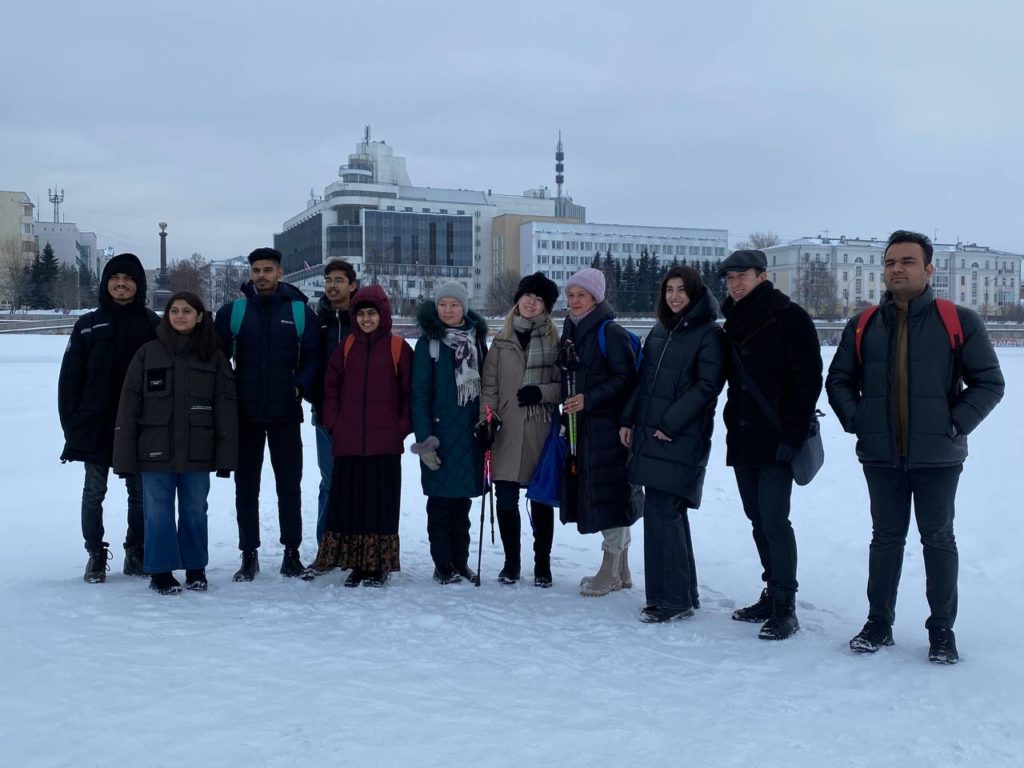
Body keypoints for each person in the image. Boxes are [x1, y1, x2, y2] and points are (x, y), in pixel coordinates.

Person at [825, 230, 1004, 664]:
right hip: (881, 455)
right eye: (890, 262)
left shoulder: (958, 320)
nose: (897, 269)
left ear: (928, 269)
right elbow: (839, 379)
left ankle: (941, 630)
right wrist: (860, 421)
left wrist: (954, 423)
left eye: (907, 261)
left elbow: (989, 382)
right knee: (885, 539)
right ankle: (878, 623)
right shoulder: (864, 324)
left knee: (938, 539)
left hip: (938, 457)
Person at [719, 249, 822, 641]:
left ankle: (785, 605)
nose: (735, 284)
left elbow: (808, 379)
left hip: (777, 436)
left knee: (775, 520)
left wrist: (791, 435)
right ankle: (771, 590)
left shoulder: (790, 317)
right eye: (729, 278)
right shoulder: (732, 320)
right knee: (756, 518)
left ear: (762, 276)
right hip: (743, 436)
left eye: (741, 276)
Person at [621, 266, 727, 622]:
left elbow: (707, 387)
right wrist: (628, 419)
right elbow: (644, 381)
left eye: (682, 290)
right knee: (668, 514)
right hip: (650, 433)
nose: (675, 296)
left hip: (679, 436)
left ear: (695, 293)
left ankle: (672, 601)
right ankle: (682, 594)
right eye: (669, 289)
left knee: (664, 512)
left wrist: (670, 423)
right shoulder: (660, 330)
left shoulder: (709, 334)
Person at [113, 292, 238, 594]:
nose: (180, 316)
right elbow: (129, 407)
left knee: (195, 510)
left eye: (187, 311)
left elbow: (226, 408)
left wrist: (226, 456)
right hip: (155, 450)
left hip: (198, 451)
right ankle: (161, 572)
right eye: (174, 311)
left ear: (199, 316)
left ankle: (195, 568)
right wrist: (124, 457)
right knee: (158, 512)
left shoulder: (213, 356)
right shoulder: (147, 354)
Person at [214, 247, 319, 581]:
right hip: (244, 415)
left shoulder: (300, 312)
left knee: (289, 487)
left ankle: (291, 553)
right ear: (250, 273)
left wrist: (299, 386)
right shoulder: (234, 312)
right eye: (256, 270)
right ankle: (249, 555)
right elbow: (217, 358)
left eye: (268, 270)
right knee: (246, 488)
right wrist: (229, 391)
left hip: (285, 413)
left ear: (280, 272)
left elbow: (314, 356)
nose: (262, 276)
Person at [58, 252, 160, 583]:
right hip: (95, 423)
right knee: (94, 491)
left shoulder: (153, 325)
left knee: (139, 491)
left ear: (138, 284)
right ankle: (95, 553)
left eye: (128, 278)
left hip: (139, 423)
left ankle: (136, 549)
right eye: (115, 278)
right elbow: (69, 380)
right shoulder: (88, 324)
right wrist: (73, 425)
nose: (121, 283)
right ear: (106, 284)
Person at [304, 285, 413, 587]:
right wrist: (334, 423)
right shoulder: (347, 346)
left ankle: (377, 565)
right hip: (349, 442)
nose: (366, 319)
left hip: (384, 444)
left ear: (383, 315)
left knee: (380, 504)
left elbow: (409, 393)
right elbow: (330, 388)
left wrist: (401, 427)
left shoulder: (398, 348)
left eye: (371, 314)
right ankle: (357, 563)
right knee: (351, 504)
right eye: (362, 314)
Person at [559, 268, 640, 597]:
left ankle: (610, 569)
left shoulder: (610, 332)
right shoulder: (572, 331)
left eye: (582, 295)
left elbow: (627, 379)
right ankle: (622, 569)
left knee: (611, 496)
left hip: (609, 429)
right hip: (585, 428)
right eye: (571, 295)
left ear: (596, 298)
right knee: (609, 494)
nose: (575, 301)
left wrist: (589, 399)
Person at [479, 272, 561, 587]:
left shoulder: (554, 342)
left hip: (540, 430)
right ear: (518, 299)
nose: (531, 302)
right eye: (528, 295)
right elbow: (489, 386)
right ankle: (511, 564)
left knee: (540, 500)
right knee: (505, 500)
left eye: (539, 299)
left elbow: (563, 386)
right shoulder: (501, 342)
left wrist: (541, 393)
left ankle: (543, 565)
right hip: (505, 430)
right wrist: (487, 420)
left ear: (546, 307)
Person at [411, 282, 489, 585]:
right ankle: (442, 564)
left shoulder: (476, 340)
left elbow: (487, 386)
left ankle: (461, 561)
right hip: (440, 437)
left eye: (454, 304)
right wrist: (425, 442)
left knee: (462, 504)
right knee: (440, 504)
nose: (447, 310)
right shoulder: (428, 344)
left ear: (463, 308)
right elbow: (419, 397)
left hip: (469, 436)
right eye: (442, 304)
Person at [310, 260, 357, 543]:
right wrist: (314, 397)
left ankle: (353, 546)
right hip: (325, 415)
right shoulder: (317, 322)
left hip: (359, 418)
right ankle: (325, 547)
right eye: (328, 280)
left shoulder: (363, 320)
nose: (332, 285)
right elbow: (308, 364)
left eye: (339, 280)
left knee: (356, 483)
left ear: (352, 285)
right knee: (329, 481)